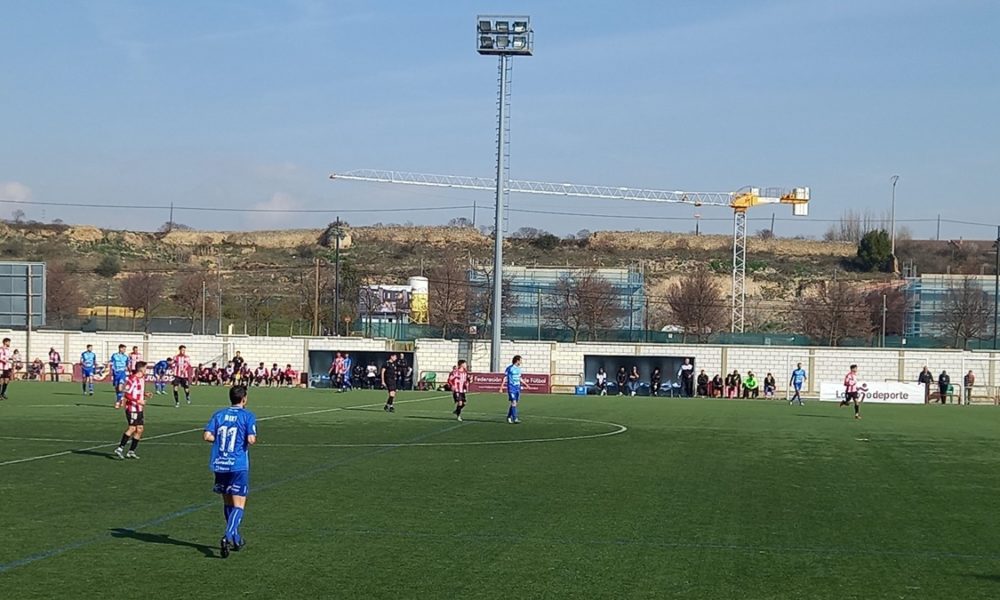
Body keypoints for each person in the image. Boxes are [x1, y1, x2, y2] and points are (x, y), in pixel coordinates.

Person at [203, 385, 257, 559]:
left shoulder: (219, 414)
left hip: (220, 463)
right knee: (239, 504)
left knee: (227, 501)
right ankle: (227, 536)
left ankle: (236, 538)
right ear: (244, 398)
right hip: (238, 465)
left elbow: (207, 436)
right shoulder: (247, 416)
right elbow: (251, 439)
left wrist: (221, 441)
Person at [114, 361, 150, 460]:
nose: (146, 370)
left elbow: (137, 391)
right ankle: (120, 448)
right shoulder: (132, 379)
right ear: (141, 369)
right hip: (132, 408)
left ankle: (131, 451)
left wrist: (145, 394)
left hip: (139, 408)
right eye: (145, 368)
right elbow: (127, 394)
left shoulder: (142, 379)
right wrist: (138, 400)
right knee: (132, 428)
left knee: (140, 429)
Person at [500, 355, 522, 424]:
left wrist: (526, 384)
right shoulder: (510, 368)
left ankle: (509, 417)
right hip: (511, 387)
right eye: (521, 360)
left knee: (514, 403)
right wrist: (501, 387)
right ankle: (515, 418)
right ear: (517, 360)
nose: (521, 362)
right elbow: (505, 378)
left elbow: (519, 378)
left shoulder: (519, 369)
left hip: (517, 387)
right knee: (514, 402)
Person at [109, 344, 130, 409]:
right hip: (115, 374)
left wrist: (130, 372)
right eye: (123, 349)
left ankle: (117, 402)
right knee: (117, 389)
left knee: (120, 388)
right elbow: (111, 363)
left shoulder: (126, 357)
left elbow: (128, 365)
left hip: (122, 373)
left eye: (125, 349)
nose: (124, 350)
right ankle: (121, 398)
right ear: (120, 348)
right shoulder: (114, 355)